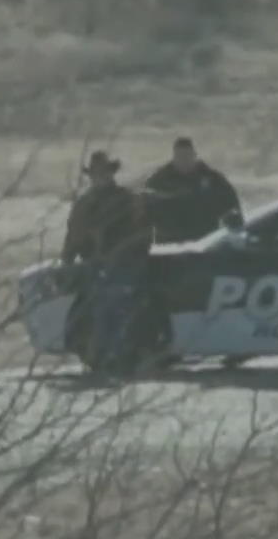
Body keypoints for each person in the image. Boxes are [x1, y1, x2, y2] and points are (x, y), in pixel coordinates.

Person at [61, 150, 152, 375]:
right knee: (100, 311)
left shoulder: (128, 200)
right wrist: (68, 262)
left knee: (118, 310)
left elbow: (144, 233)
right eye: (96, 173)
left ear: (112, 173)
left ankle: (117, 357)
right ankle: (103, 358)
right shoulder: (84, 204)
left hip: (125, 265)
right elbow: (73, 235)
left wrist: (132, 257)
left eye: (104, 172)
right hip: (94, 265)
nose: (100, 177)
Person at [143, 136, 242, 245]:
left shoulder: (212, 179)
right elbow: (145, 210)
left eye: (187, 156)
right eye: (180, 157)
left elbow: (232, 205)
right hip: (169, 244)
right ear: (174, 157)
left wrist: (236, 226)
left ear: (194, 156)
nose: (184, 161)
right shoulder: (159, 181)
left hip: (205, 242)